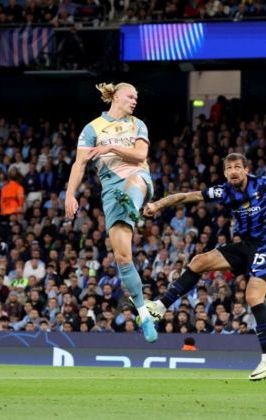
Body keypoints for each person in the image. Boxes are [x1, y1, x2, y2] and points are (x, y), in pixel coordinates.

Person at [143, 153, 266, 380]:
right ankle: (159, 306)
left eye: (238, 167)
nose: (233, 171)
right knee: (198, 261)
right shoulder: (224, 191)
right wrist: (158, 204)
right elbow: (187, 196)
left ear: (246, 169)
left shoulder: (263, 184)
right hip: (245, 245)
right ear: (225, 172)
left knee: (253, 296)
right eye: (229, 168)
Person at [65, 82, 157, 343]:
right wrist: (70, 194)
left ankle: (134, 205)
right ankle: (144, 314)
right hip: (111, 191)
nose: (134, 100)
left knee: (134, 183)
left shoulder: (137, 124)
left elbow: (141, 155)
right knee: (123, 257)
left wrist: (111, 148)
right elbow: (80, 164)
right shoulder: (92, 128)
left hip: (137, 178)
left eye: (137, 97)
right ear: (116, 96)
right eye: (130, 96)